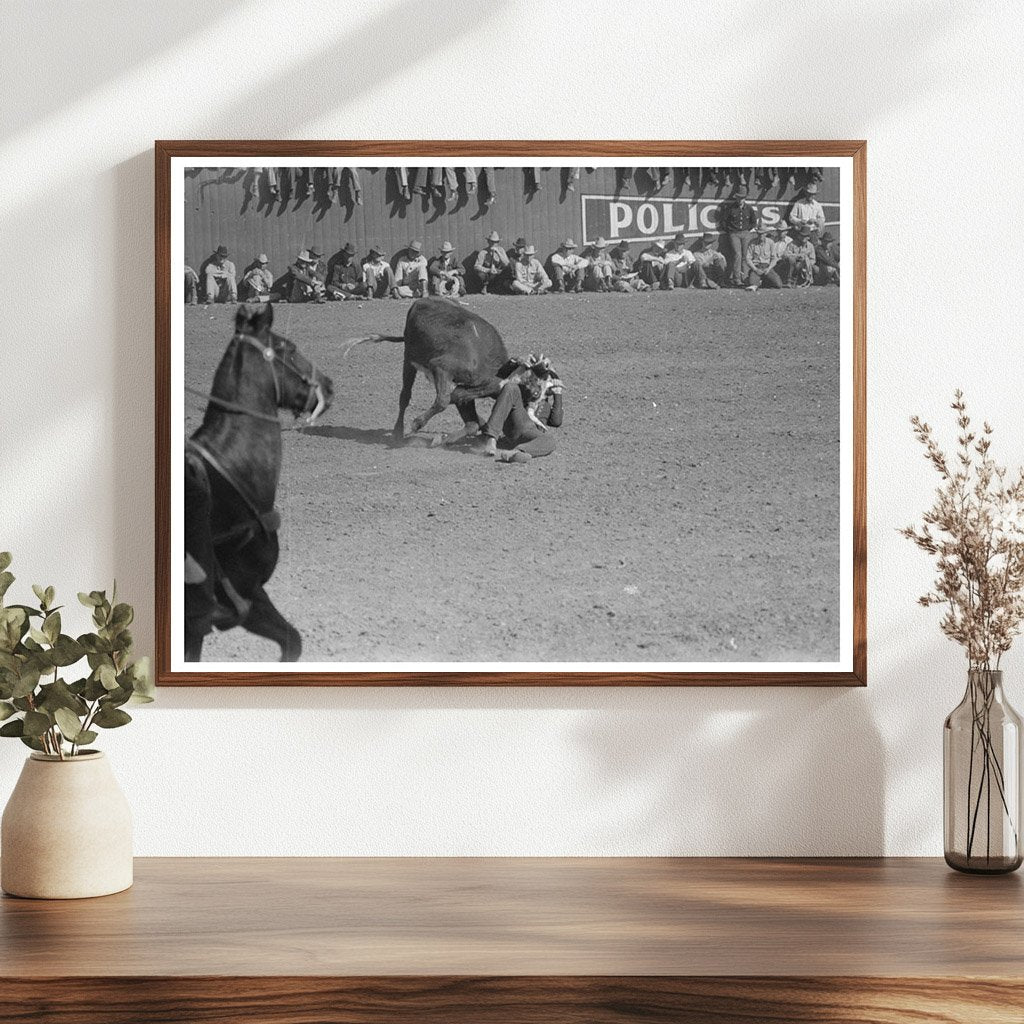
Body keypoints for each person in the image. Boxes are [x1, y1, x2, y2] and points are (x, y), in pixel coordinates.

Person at [481, 357, 564, 463]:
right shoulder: (527, 390)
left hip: (531, 433)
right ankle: (491, 438)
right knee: (511, 387)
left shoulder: (547, 405)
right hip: (518, 423)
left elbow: (556, 421)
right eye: (543, 378)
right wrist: (514, 363)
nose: (544, 381)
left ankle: (517, 453)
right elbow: (500, 381)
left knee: (550, 441)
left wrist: (558, 394)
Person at [719, 184, 759, 286]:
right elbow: (724, 221)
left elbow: (754, 222)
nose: (740, 200)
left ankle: (745, 278)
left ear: (745, 198)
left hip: (745, 233)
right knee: (737, 254)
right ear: (736, 197)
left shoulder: (749, 208)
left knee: (746, 255)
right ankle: (737, 279)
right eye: (738, 198)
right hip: (734, 234)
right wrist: (730, 230)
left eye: (742, 198)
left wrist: (747, 230)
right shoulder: (730, 208)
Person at [743, 225, 783, 290]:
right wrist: (755, 269)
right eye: (759, 233)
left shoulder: (770, 242)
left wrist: (769, 268)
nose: (761, 235)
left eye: (763, 233)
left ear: (766, 233)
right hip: (756, 267)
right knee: (753, 284)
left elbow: (774, 258)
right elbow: (748, 259)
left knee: (778, 285)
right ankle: (754, 279)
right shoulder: (752, 243)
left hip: (767, 267)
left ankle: (764, 281)